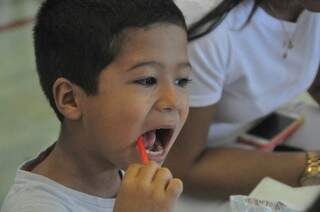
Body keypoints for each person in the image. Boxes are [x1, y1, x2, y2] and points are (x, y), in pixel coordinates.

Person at [1, 0, 192, 211]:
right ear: (70, 99)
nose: (173, 101)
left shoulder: (132, 179)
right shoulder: (33, 207)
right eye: (147, 80)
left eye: (181, 81)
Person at [167, 0, 320, 199]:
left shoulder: (305, 9)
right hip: (191, 164)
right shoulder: (210, 33)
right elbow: (180, 168)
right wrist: (315, 166)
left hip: (254, 132)